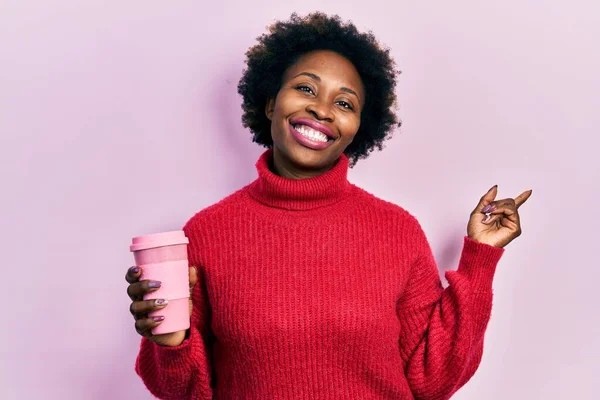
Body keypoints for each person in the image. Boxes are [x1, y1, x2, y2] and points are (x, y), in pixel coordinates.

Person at [125, 11, 532, 400]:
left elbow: (432, 380)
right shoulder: (206, 232)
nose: (321, 110)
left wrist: (481, 258)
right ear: (270, 103)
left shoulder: (397, 230)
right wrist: (170, 343)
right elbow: (180, 390)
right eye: (305, 88)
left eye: (345, 103)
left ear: (360, 127)